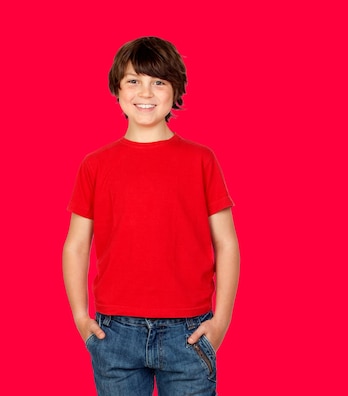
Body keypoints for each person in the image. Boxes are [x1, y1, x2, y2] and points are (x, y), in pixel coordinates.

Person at [62, 36, 240, 395]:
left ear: (176, 91)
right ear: (117, 88)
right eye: (134, 80)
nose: (146, 92)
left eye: (158, 81)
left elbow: (226, 243)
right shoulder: (95, 165)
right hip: (115, 332)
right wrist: (82, 318)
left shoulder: (201, 160)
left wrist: (220, 321)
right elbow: (76, 246)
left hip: (188, 331)